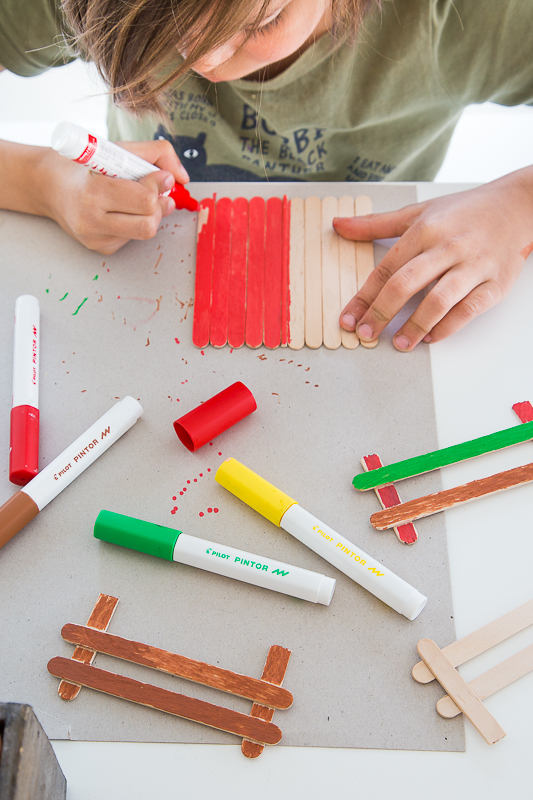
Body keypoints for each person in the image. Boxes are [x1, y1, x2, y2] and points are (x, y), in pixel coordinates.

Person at [1, 0, 532, 351]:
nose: (203, 58)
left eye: (259, 23)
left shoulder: (478, 17)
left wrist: (517, 205)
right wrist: (43, 181)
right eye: (160, 28)